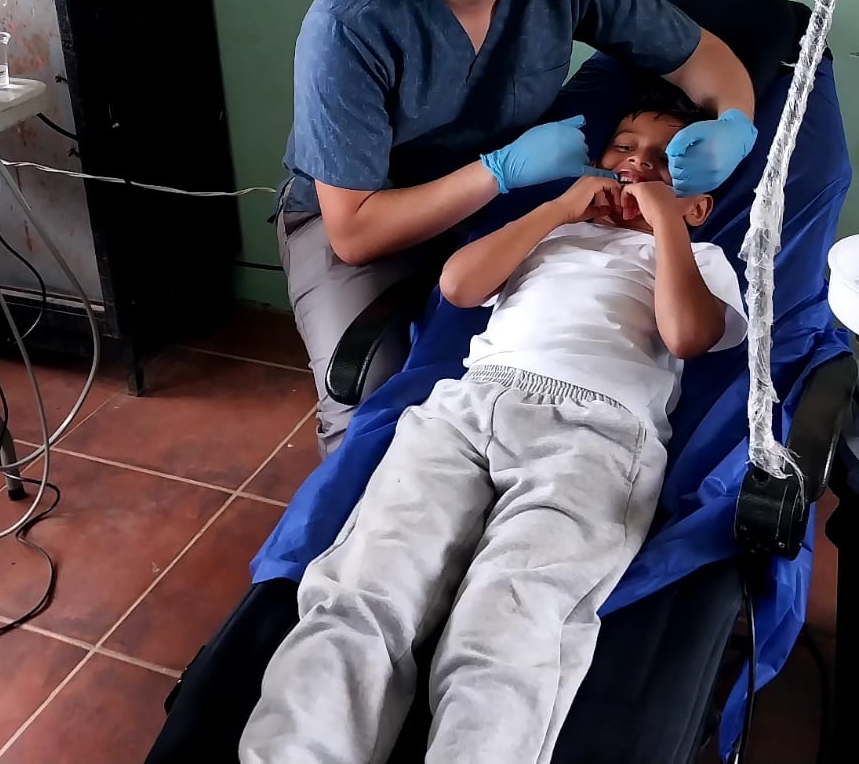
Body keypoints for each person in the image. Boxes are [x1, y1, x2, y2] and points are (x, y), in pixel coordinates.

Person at [243, 94, 748, 764]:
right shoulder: (548, 236)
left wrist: (665, 225)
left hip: (593, 436)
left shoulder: (700, 260)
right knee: (367, 587)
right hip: (469, 407)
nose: (635, 165)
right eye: (624, 148)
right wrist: (555, 210)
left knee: (511, 622)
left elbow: (687, 335)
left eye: (664, 162)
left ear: (699, 206)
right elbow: (458, 287)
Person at [280, 0, 761, 455]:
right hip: (364, 214)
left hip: (500, 209)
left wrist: (735, 124)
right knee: (369, 395)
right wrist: (500, 172)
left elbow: (699, 55)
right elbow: (353, 231)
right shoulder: (353, 20)